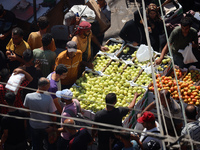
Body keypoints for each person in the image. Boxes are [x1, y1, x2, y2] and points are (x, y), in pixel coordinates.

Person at [23, 77, 57, 150]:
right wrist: (54, 126)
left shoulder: (28, 96)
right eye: (48, 85)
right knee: (49, 144)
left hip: (34, 125)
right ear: (44, 86)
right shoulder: (48, 98)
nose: (49, 86)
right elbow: (53, 115)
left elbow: (26, 110)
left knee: (36, 144)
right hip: (46, 127)